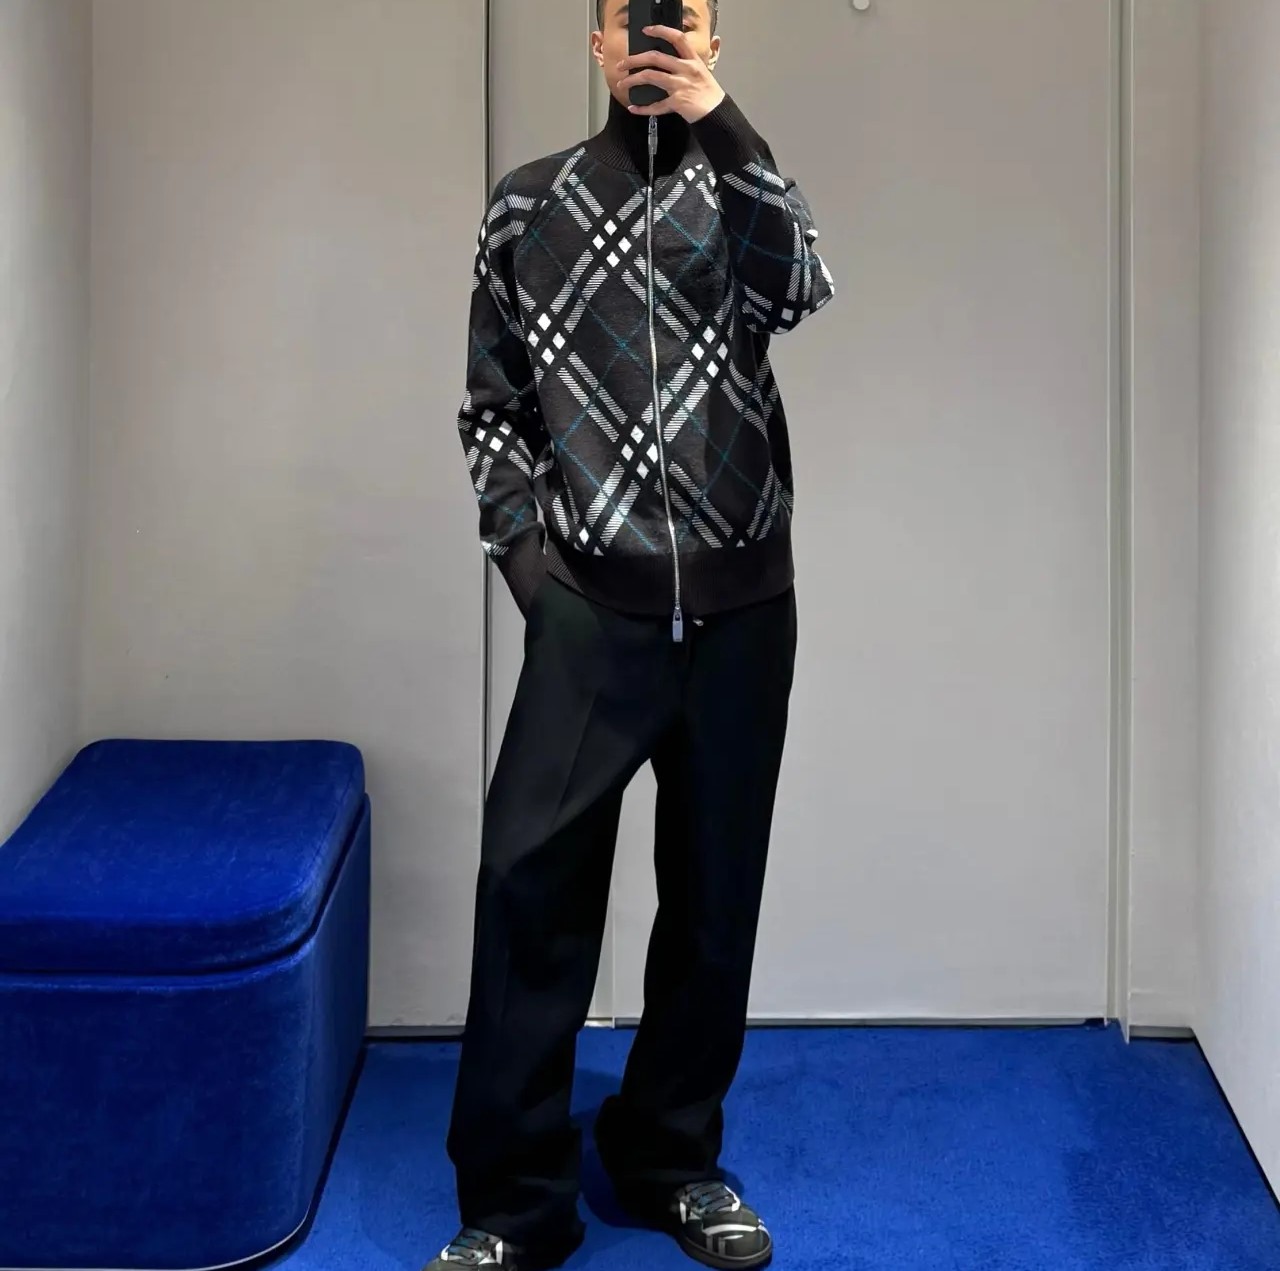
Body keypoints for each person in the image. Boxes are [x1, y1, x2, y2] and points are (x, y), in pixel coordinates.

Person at [429, 2, 833, 1267]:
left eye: (684, 21)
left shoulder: (742, 190)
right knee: (528, 886)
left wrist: (724, 125)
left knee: (713, 898)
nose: (656, 38)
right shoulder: (527, 204)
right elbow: (493, 409)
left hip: (740, 611)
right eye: (631, 20)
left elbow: (798, 284)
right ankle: (513, 1203)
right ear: (596, 44)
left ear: (713, 41)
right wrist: (530, 570)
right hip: (590, 613)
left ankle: (671, 1158)